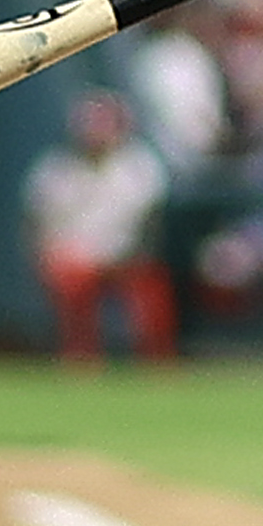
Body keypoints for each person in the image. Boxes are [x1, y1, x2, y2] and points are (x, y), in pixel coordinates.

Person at [24, 91, 175, 364]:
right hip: (76, 260)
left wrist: (129, 255)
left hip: (128, 258)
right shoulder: (55, 168)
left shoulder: (141, 166)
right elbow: (39, 227)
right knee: (71, 280)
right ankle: (81, 360)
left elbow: (151, 226)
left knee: (151, 289)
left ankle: (157, 364)